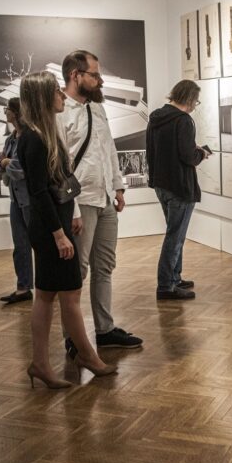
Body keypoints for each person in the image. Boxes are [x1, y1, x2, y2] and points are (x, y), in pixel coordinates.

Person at [17, 71, 116, 389]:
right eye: (57, 92)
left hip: (53, 225)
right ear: (43, 97)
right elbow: (38, 193)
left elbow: (56, 185)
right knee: (69, 293)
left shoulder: (43, 134)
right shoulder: (34, 138)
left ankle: (42, 364)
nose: (62, 96)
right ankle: (85, 355)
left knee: (47, 295)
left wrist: (69, 216)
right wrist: (59, 234)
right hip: (50, 230)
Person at [58, 50, 143, 355]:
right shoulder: (60, 112)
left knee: (104, 267)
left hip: (105, 198)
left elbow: (108, 150)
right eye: (94, 75)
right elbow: (60, 166)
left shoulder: (97, 109)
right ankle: (73, 336)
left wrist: (118, 187)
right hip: (81, 202)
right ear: (75, 75)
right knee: (77, 272)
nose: (100, 80)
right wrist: (73, 209)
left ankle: (104, 330)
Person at [145, 80, 210, 300]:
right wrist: (202, 153)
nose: (195, 106)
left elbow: (152, 151)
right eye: (196, 101)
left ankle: (175, 277)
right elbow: (188, 156)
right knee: (175, 236)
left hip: (161, 185)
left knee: (175, 233)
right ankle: (166, 286)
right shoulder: (183, 120)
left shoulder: (156, 117)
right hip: (180, 187)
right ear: (189, 98)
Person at [0, 97, 32, 304]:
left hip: (30, 199)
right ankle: (23, 287)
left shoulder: (28, 137)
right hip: (16, 198)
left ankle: (46, 287)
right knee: (20, 245)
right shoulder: (11, 139)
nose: (5, 112)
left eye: (7, 109)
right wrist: (5, 162)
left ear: (16, 113)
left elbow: (20, 170)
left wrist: (4, 162)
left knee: (38, 244)